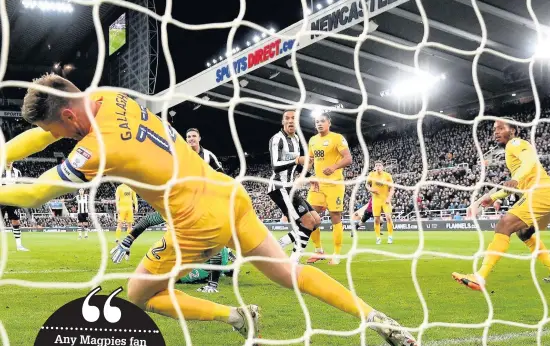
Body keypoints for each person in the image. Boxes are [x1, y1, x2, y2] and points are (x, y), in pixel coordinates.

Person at [0, 74, 416, 345]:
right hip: (227, 193)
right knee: (288, 272)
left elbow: (35, 194)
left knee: (140, 294)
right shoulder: (108, 96)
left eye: (55, 130)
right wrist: (5, 154)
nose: (55, 137)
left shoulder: (95, 148)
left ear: (70, 116)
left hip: (195, 221)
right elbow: (37, 141)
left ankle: (233, 315)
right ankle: (378, 319)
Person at [452, 119, 550, 291]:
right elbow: (516, 185)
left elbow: (529, 162)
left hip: (541, 193)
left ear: (513, 130)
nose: (496, 132)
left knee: (504, 225)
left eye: (501, 128)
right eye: (494, 130)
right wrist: (493, 197)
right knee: (524, 233)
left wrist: (515, 179)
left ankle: (479, 277)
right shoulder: (510, 151)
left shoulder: (516, 143)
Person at [111, 212, 232, 294]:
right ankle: (226, 268)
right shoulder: (174, 209)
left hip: (210, 258)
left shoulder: (200, 217)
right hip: (203, 254)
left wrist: (212, 285)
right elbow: (147, 220)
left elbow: (216, 249)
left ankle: (220, 271)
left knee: (175, 277)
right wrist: (128, 240)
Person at [268, 110, 320, 261]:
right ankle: (293, 261)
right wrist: (297, 160)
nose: (291, 121)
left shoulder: (296, 139)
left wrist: (310, 177)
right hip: (279, 187)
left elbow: (296, 166)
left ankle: (277, 246)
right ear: (283, 122)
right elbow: (275, 166)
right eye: (287, 118)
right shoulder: (277, 139)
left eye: (294, 118)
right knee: (308, 222)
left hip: (290, 187)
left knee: (316, 220)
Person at [306, 113, 352, 265]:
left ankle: (337, 254)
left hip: (334, 184)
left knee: (335, 217)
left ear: (329, 123)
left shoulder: (337, 138)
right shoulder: (312, 140)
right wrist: (307, 176)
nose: (319, 124)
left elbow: (348, 158)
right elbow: (310, 161)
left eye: (322, 121)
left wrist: (334, 167)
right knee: (309, 217)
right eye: (317, 122)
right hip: (318, 185)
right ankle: (319, 251)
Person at [0, 162, 28, 251]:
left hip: (13, 200)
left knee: (16, 221)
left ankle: (19, 246)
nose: (9, 162)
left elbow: (19, 186)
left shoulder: (17, 172)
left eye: (11, 160)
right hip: (1, 199)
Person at [367, 161, 394, 244]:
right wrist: (371, 189)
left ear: (383, 167)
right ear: (375, 167)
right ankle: (378, 237)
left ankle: (390, 236)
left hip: (385, 200)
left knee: (388, 217)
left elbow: (392, 188)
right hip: (376, 200)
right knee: (376, 220)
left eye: (379, 165)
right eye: (376, 165)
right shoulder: (371, 175)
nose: (378, 167)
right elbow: (367, 185)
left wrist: (389, 198)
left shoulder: (387, 176)